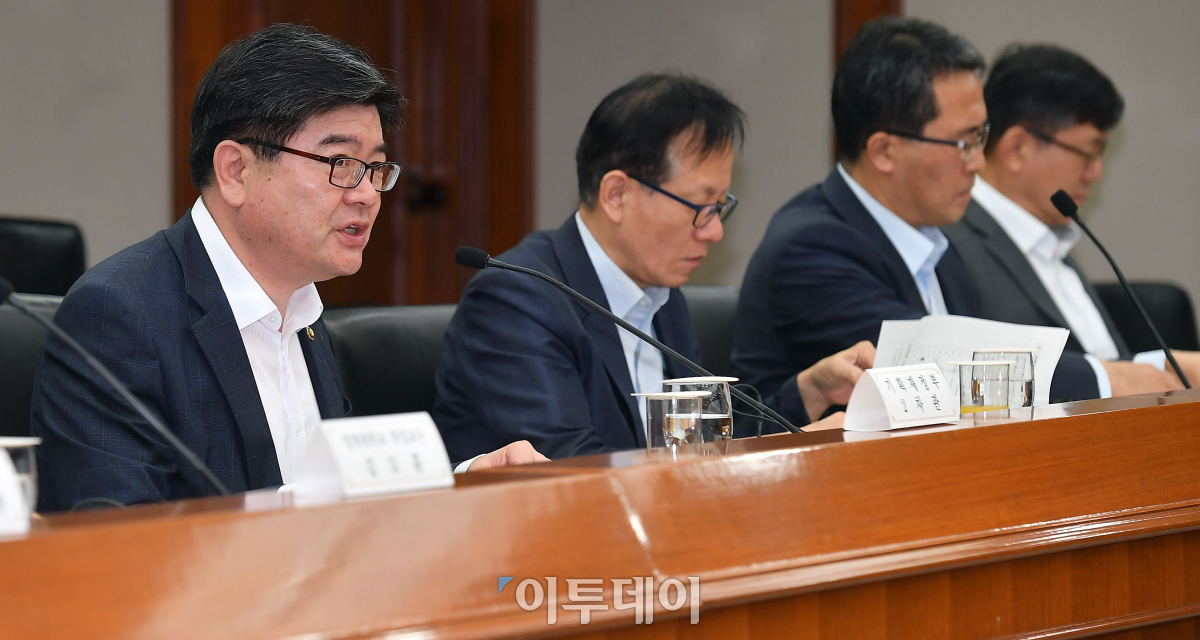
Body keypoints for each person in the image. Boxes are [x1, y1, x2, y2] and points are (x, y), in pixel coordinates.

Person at [32, 24, 544, 513]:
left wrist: (465, 484)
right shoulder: (117, 317)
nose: (368, 195)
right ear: (236, 171)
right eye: (340, 163)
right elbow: (120, 538)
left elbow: (337, 501)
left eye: (375, 168)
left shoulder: (303, 312)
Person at [433, 74, 873, 462]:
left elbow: (701, 445)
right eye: (700, 207)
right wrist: (789, 449)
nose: (715, 231)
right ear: (617, 195)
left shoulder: (659, 292)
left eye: (720, 207)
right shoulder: (517, 300)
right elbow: (574, 470)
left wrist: (810, 392)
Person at [733, 17, 1138, 407]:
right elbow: (936, 369)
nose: (979, 162)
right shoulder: (810, 250)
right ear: (884, 151)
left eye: (981, 136)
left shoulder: (938, 242)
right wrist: (1108, 380)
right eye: (964, 143)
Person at [943, 44, 1187, 397]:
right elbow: (968, 376)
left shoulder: (1051, 237)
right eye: (1087, 154)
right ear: (1017, 148)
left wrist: (1165, 366)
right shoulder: (949, 244)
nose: (1096, 173)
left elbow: (1105, 367)